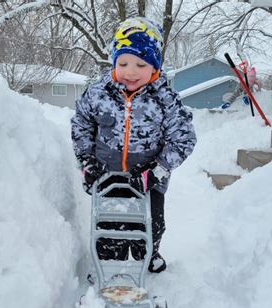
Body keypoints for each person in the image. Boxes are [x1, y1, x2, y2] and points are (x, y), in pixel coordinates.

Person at [70, 17, 196, 273]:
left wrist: (157, 171)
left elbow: (183, 138)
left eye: (141, 64)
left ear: (154, 67)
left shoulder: (165, 99)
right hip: (107, 175)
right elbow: (81, 124)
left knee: (151, 224)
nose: (130, 71)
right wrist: (86, 161)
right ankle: (107, 263)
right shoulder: (98, 93)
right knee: (109, 223)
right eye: (123, 62)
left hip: (148, 179)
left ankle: (148, 256)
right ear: (114, 62)